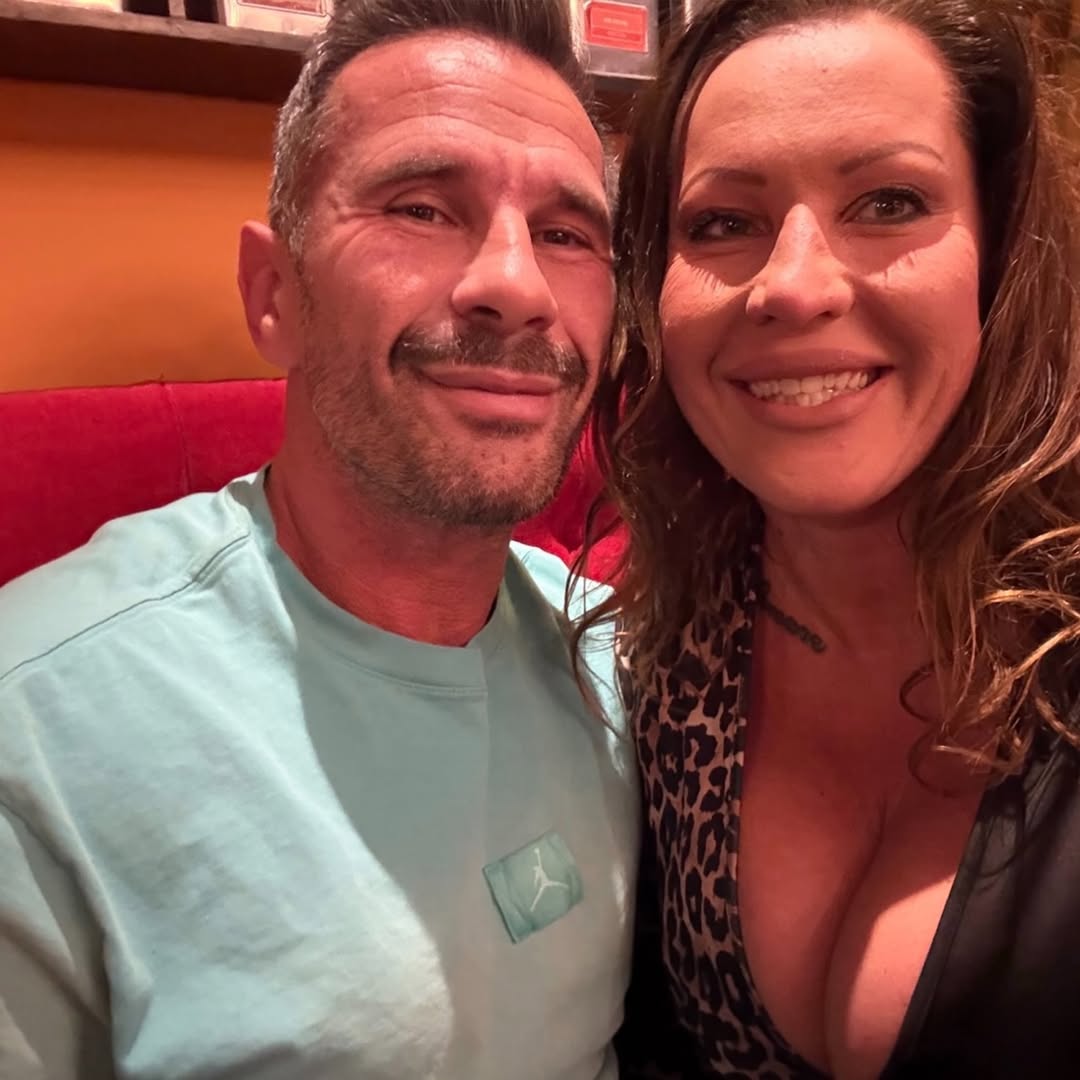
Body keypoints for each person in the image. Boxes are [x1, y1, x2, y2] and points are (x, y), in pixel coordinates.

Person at [0, 2, 639, 1077]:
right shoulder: (36, 729)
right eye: (423, 207)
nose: (516, 286)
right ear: (274, 296)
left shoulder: (621, 663)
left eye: (567, 234)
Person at [578, 0, 1080, 1077]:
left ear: (1003, 251)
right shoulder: (653, 663)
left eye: (889, 202)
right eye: (723, 222)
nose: (795, 285)